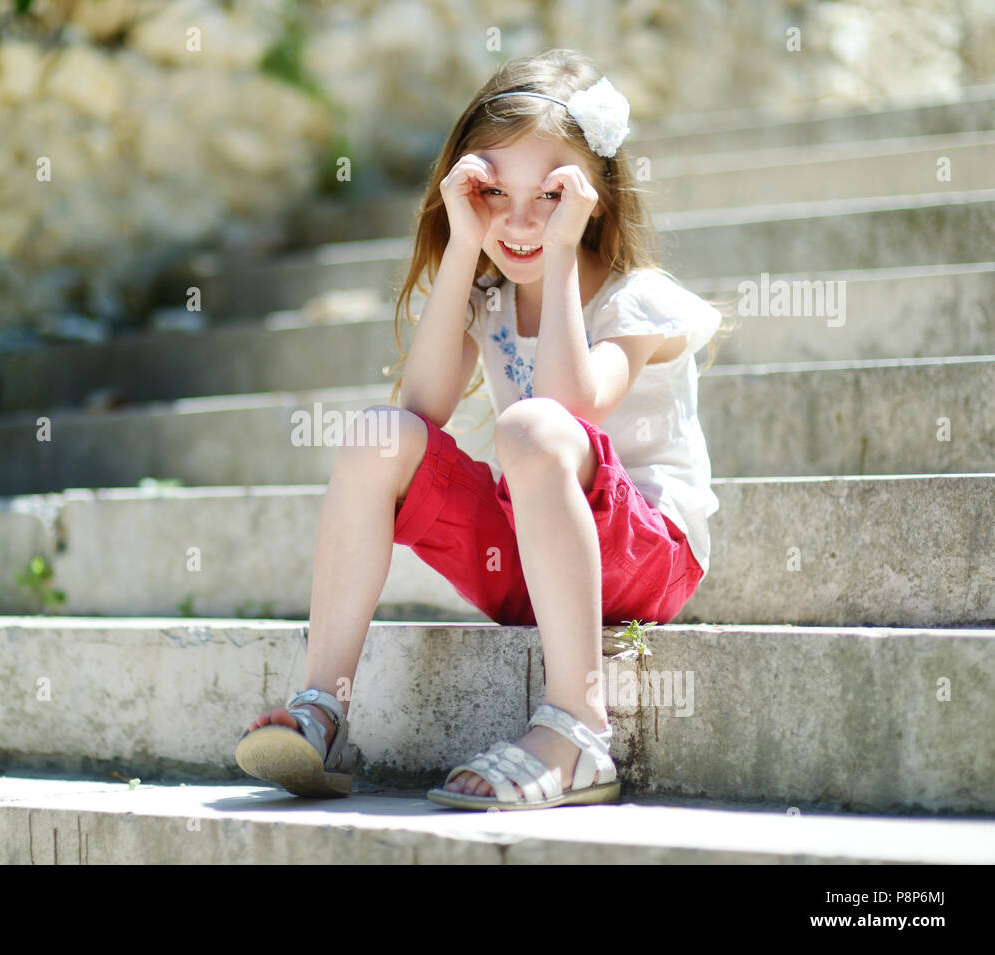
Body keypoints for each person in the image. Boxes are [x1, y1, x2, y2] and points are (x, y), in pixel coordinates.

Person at [236, 48, 724, 811]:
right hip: (532, 560)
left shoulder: (639, 301)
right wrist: (463, 245)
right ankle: (323, 708)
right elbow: (421, 409)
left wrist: (562, 255)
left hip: (646, 555)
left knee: (531, 427)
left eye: (549, 197)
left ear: (591, 197)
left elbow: (571, 406)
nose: (521, 221)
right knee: (376, 434)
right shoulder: (489, 295)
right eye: (494, 192)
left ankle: (577, 729)